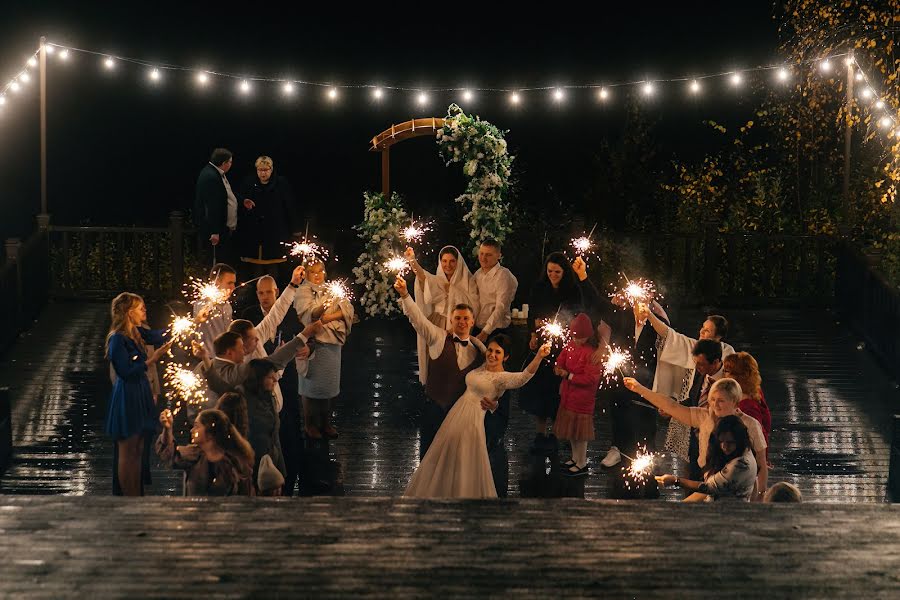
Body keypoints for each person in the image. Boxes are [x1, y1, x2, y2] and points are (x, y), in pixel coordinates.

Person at [404, 332, 551, 498]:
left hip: (472, 421)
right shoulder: (482, 365)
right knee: (447, 458)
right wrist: (459, 334)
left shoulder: (502, 378)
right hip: (455, 416)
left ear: (506, 357)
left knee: (465, 460)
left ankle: (462, 496)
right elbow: (479, 345)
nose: (492, 355)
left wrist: (539, 356)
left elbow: (524, 377)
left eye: (498, 352)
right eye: (491, 350)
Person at [624, 376, 769, 501]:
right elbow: (672, 406)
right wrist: (639, 389)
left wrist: (761, 495)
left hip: (733, 486)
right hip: (706, 480)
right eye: (712, 400)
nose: (715, 405)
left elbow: (761, 463)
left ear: (735, 402)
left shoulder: (750, 424)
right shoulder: (704, 416)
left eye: (721, 401)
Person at [521, 252, 600, 446]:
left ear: (564, 272)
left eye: (557, 272)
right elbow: (532, 312)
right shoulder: (540, 287)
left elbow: (578, 314)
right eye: (549, 271)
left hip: (564, 345)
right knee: (540, 389)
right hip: (542, 341)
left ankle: (557, 434)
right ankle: (540, 433)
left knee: (558, 390)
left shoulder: (572, 291)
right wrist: (533, 333)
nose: (553, 275)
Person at [240, 274, 305, 495]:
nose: (265, 297)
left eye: (269, 292)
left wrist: (307, 345)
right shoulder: (250, 320)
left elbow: (302, 338)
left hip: (286, 381)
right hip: (261, 384)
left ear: (276, 292)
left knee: (289, 430)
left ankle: (289, 472)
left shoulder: (290, 314)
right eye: (261, 292)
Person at [105, 292, 173, 496]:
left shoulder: (136, 333)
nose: (144, 310)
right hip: (128, 394)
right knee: (128, 448)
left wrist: (195, 321)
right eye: (140, 307)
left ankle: (137, 492)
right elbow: (125, 371)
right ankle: (128, 495)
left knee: (138, 448)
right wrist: (153, 360)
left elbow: (160, 335)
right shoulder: (117, 339)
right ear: (128, 312)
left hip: (141, 390)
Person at [227, 265, 307, 413]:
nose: (258, 340)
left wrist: (293, 284)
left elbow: (274, 316)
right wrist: (305, 335)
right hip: (261, 412)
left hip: (285, 387)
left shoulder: (258, 332)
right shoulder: (243, 367)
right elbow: (268, 371)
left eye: (268, 292)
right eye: (261, 293)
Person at [600, 300, 669, 468]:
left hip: (647, 378)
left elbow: (667, 343)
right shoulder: (623, 316)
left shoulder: (658, 323)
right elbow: (601, 309)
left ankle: (647, 455)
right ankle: (617, 449)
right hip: (622, 375)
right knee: (619, 412)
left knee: (645, 417)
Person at [293, 260, 354, 440]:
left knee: (330, 386)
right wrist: (324, 308)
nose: (318, 275)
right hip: (314, 344)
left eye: (320, 271)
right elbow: (310, 315)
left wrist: (329, 317)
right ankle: (309, 424)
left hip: (332, 344)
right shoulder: (303, 291)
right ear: (306, 274)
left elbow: (347, 309)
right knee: (310, 386)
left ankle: (326, 422)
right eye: (313, 272)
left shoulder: (331, 288)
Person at [655, 415, 758, 502]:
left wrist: (676, 480)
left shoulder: (741, 464)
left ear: (739, 440)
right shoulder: (741, 452)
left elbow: (709, 488)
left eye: (730, 442)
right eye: (721, 441)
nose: (724, 447)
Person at [156, 408, 254, 496]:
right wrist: (167, 429)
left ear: (210, 432)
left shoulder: (232, 462)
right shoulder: (194, 454)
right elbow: (167, 453)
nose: (192, 430)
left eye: (196, 426)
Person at [552, 313, 603, 476]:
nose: (575, 340)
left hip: (582, 399)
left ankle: (582, 461)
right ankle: (575, 458)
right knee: (572, 432)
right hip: (568, 395)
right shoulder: (570, 346)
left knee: (580, 434)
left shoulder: (592, 353)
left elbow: (590, 379)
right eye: (573, 336)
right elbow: (561, 359)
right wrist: (558, 368)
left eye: (579, 337)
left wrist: (569, 376)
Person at [237, 155, 302, 280]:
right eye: (260, 170)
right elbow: (240, 201)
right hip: (254, 235)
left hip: (275, 234)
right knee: (256, 269)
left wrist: (295, 228)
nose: (263, 173)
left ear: (271, 170)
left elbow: (290, 206)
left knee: (273, 268)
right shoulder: (249, 183)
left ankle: (274, 296)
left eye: (266, 170)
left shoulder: (281, 183)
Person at [239, 359, 286, 489]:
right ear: (258, 378)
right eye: (270, 377)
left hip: (271, 458)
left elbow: (274, 436)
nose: (275, 380)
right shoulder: (242, 401)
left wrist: (281, 469)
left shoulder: (268, 398)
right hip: (252, 463)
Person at [723, 352, 771, 464]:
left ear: (738, 376)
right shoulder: (755, 391)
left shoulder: (746, 406)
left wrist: (761, 463)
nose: (723, 374)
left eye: (726, 371)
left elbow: (758, 437)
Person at [194, 148, 238, 267]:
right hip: (216, 231)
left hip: (223, 228)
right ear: (224, 163)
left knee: (222, 261)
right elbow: (212, 206)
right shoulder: (211, 177)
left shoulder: (216, 173)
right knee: (217, 262)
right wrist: (215, 231)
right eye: (230, 162)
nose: (231, 165)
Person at [472, 239, 518, 343]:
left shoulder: (503, 275)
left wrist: (485, 332)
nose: (483, 258)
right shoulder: (478, 274)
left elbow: (501, 307)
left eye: (488, 255)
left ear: (498, 256)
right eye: (481, 253)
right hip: (478, 329)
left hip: (496, 331)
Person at [193, 263, 237, 359]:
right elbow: (195, 323)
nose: (233, 287)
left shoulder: (228, 306)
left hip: (224, 359)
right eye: (229, 283)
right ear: (217, 282)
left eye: (234, 283)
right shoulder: (202, 304)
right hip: (206, 359)